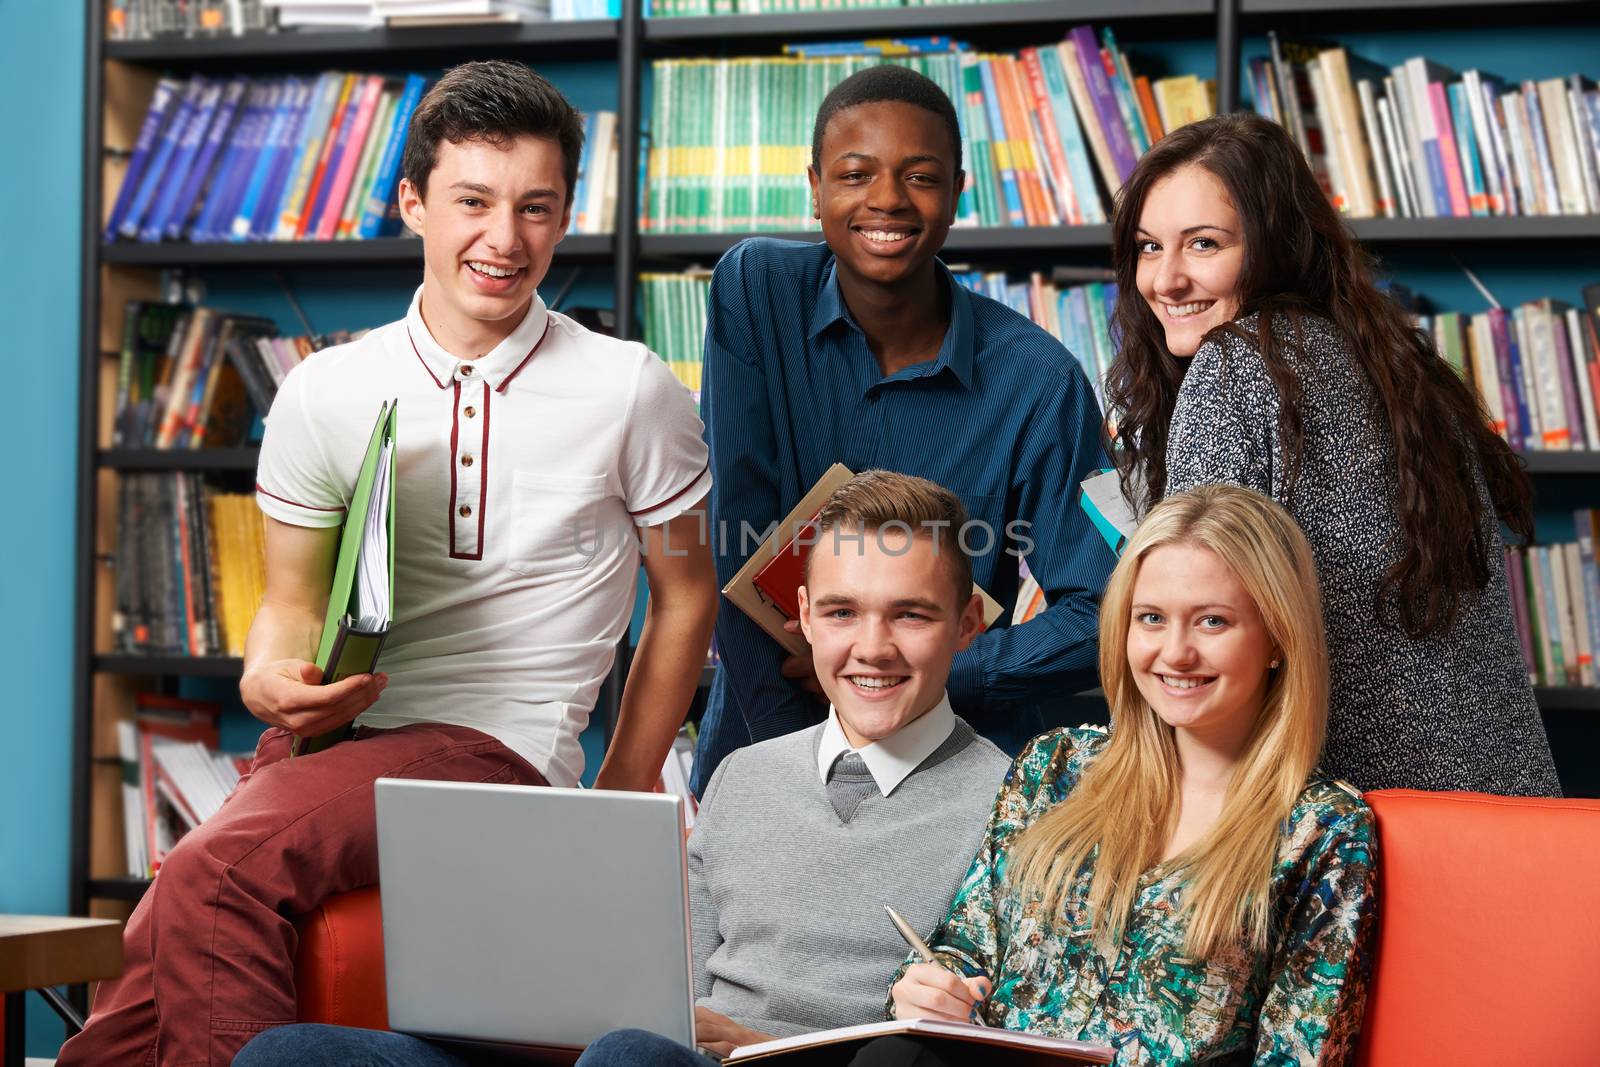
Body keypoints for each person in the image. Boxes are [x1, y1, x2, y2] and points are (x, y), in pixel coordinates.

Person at [60, 60, 718, 1067]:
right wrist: (267, 678)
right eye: (474, 202)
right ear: (412, 199)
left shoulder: (631, 388)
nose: (505, 240)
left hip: (494, 748)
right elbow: (288, 605)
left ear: (565, 211)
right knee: (114, 1036)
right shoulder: (325, 390)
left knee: (220, 873)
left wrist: (624, 786)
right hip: (330, 751)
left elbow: (684, 593)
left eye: (536, 208)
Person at [232, 470, 1011, 1067]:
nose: (871, 647)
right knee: (289, 1053)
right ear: (803, 616)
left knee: (630, 1055)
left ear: (967, 625)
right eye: (841, 612)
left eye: (910, 614)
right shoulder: (744, 774)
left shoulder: (1012, 800)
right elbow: (669, 994)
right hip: (651, 1054)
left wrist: (736, 1041)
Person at [1103, 111, 1559, 796]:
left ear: (1275, 246)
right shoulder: (1401, 366)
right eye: (1147, 247)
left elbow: (1198, 664)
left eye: (1202, 244)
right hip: (1506, 810)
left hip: (1362, 831)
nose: (1164, 279)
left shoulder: (1235, 369)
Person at [694, 63, 1115, 795]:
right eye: (856, 174)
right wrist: (784, 775)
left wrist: (952, 665)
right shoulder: (757, 291)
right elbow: (739, 540)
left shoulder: (1040, 379)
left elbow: (1109, 607)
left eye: (919, 177)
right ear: (815, 187)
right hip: (763, 754)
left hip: (951, 777)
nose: (886, 199)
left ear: (958, 191)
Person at [880, 484, 1376, 1067]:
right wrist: (922, 990)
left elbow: (1300, 1056)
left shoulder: (1324, 831)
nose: (1175, 652)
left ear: (1276, 639)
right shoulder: (1053, 767)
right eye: (1151, 619)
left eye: (1212, 621)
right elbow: (964, 951)